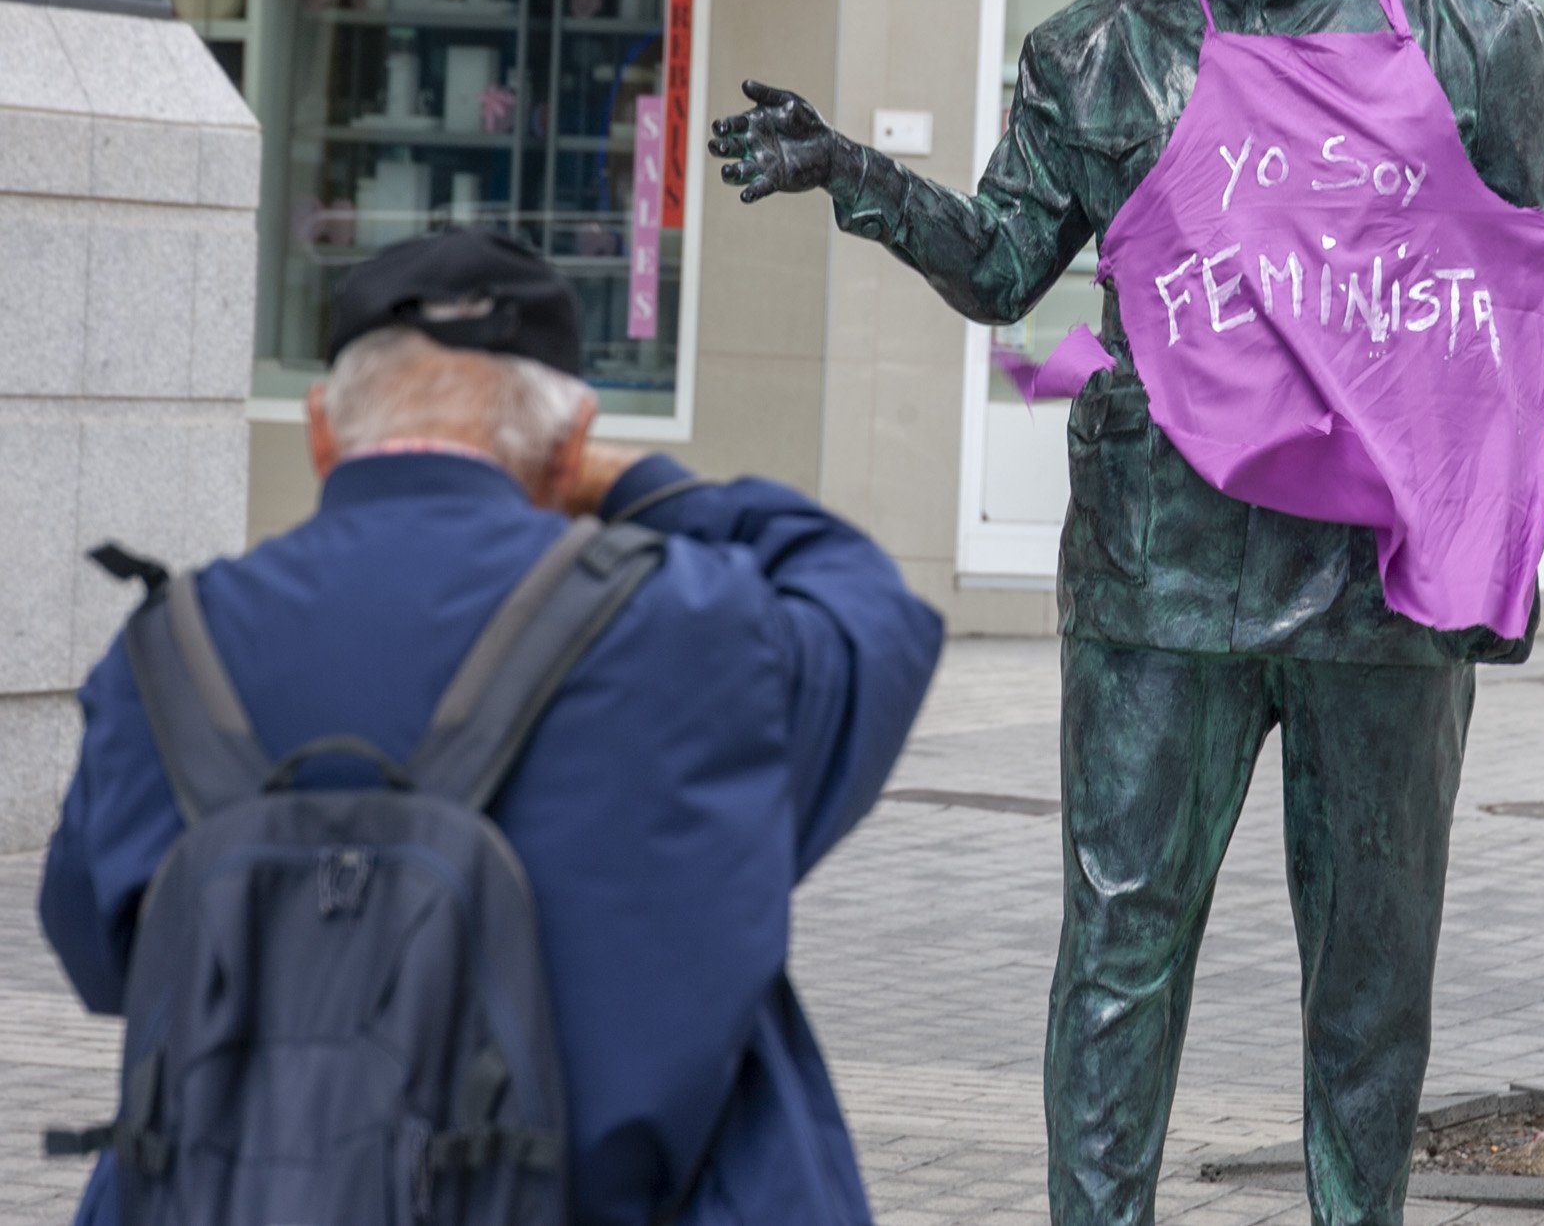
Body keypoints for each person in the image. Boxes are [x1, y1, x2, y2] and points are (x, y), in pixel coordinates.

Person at [710, 0, 1544, 1226]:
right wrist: (857, 174)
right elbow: (1000, 265)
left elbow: (1530, 285)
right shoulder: (1103, 48)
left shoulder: (1468, 26)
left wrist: (1515, 489)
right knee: (1121, 952)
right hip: (1161, 569)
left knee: (1374, 973)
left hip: (1383, 581)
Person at [40, 228, 944, 1225]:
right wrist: (642, 485)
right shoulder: (696, 631)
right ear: (571, 442)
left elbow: (100, 949)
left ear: (320, 431)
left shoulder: (167, 652)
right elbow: (872, 611)